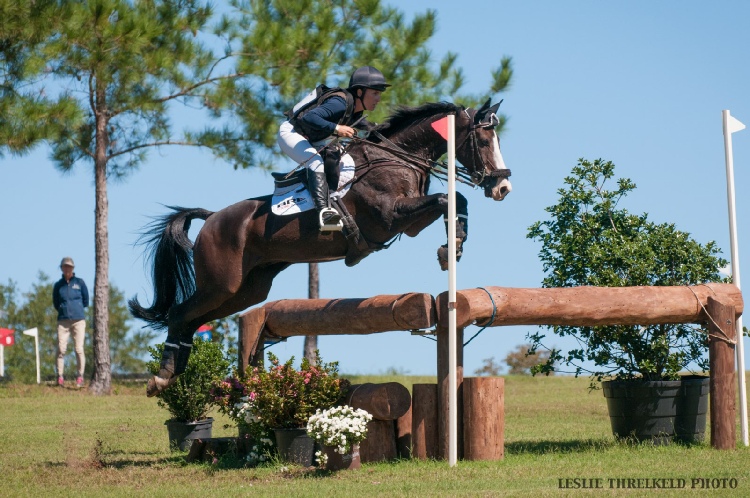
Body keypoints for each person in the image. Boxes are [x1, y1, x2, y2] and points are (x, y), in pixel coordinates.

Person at [278, 66, 390, 231]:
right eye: (375, 93)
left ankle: (334, 201)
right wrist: (338, 129)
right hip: (292, 133)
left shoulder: (355, 110)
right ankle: (325, 214)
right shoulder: (339, 103)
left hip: (314, 138)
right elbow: (310, 117)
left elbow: (367, 126)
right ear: (360, 92)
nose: (378, 98)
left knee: (346, 161)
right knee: (315, 163)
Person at [52, 257, 89, 387]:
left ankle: (80, 376)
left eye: (69, 266)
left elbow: (86, 301)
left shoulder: (80, 283)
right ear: (61, 268)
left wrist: (76, 309)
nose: (67, 268)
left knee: (79, 349)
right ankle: (60, 376)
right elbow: (56, 303)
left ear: (73, 268)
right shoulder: (58, 285)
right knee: (61, 349)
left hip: (78, 320)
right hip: (63, 321)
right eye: (65, 266)